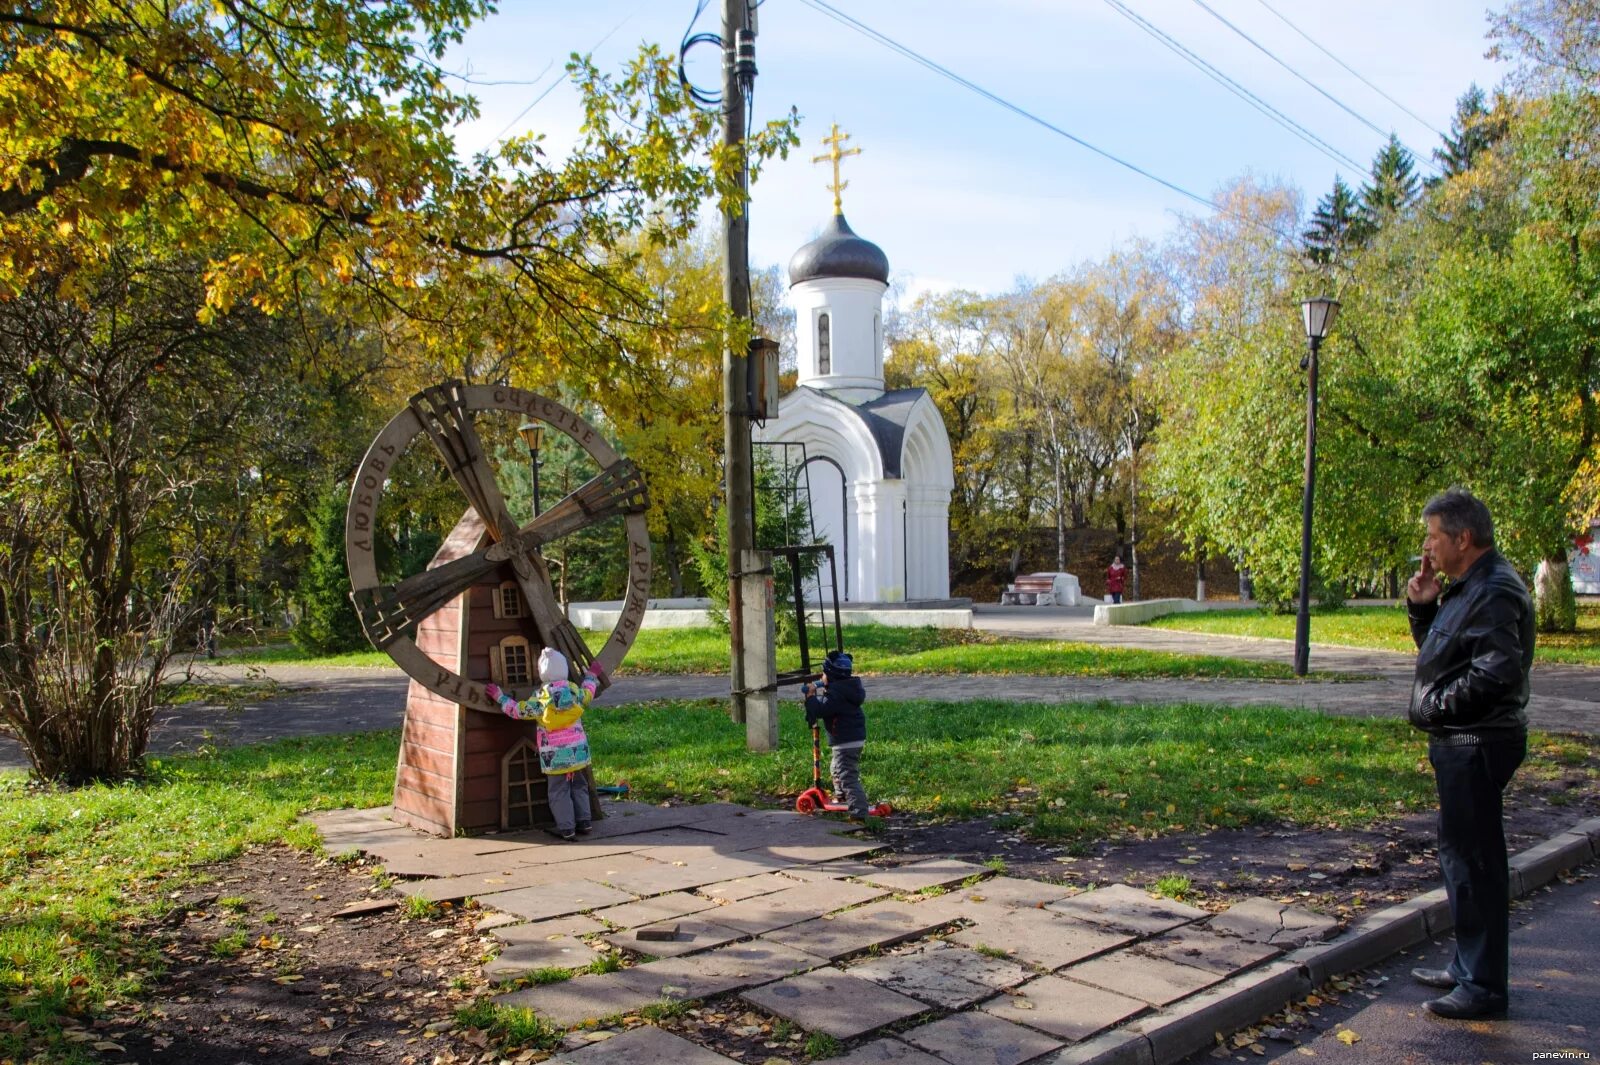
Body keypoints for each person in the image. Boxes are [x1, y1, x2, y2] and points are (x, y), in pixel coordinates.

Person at [1404, 489, 1533, 1020]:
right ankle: (1468, 966)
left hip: (1476, 740)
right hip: (1464, 739)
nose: (1428, 547)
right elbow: (1443, 654)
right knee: (1461, 857)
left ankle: (1483, 986)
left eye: (1434, 536)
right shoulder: (1469, 587)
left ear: (1463, 538)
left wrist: (1434, 709)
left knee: (1476, 862)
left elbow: (1496, 671)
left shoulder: (1496, 589)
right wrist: (1423, 606)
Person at [485, 648, 604, 841]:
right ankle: (585, 821)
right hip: (577, 752)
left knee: (558, 791)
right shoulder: (574, 692)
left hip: (554, 757)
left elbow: (518, 711)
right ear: (564, 670)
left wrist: (500, 697)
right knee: (579, 785)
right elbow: (589, 692)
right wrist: (591, 675)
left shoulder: (541, 698)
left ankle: (567, 828)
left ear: (542, 673)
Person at [801, 649, 874, 820]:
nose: (822, 678)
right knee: (836, 768)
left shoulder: (836, 694)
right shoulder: (847, 688)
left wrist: (811, 696)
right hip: (852, 738)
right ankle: (841, 796)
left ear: (831, 675)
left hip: (845, 741)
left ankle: (859, 813)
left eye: (824, 674)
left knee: (847, 776)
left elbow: (821, 709)